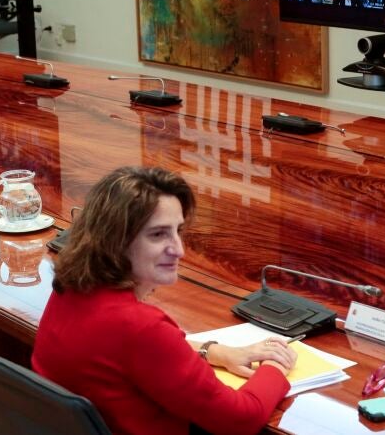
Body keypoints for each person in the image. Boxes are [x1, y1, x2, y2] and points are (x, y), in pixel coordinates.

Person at [32, 167, 296, 435]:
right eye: (158, 234)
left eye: (178, 231)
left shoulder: (70, 288)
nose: (179, 249)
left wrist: (213, 351)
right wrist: (275, 365)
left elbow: (137, 355)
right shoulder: (140, 327)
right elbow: (241, 419)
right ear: (115, 239)